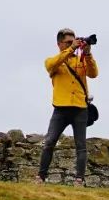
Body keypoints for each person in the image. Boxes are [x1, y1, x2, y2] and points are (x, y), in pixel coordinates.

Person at [37, 27, 99, 185]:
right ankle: (40, 177)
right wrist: (71, 49)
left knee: (81, 146)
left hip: (80, 108)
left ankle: (79, 179)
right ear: (60, 44)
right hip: (61, 108)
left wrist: (88, 53)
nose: (74, 44)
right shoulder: (53, 61)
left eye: (75, 41)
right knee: (49, 142)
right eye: (69, 42)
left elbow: (93, 74)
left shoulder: (81, 59)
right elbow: (52, 65)